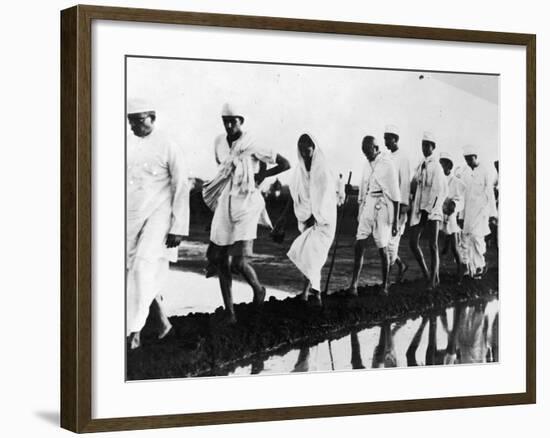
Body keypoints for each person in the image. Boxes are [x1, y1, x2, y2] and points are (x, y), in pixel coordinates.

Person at [203, 103, 290, 323]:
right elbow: (222, 168)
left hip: (248, 203)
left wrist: (261, 176)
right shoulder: (219, 143)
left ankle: (259, 290)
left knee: (238, 263)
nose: (229, 125)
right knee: (221, 260)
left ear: (242, 121)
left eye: (233, 121)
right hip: (226, 201)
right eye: (225, 121)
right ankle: (230, 312)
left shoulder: (253, 143)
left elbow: (285, 163)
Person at [126, 99, 190, 349]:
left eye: (138, 120)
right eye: (130, 120)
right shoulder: (129, 145)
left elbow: (181, 185)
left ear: (152, 117)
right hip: (132, 217)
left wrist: (178, 227)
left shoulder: (168, 145)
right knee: (129, 272)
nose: (133, 125)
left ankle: (135, 332)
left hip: (160, 216)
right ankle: (162, 324)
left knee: (142, 268)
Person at [285, 133, 337, 306]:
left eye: (307, 147)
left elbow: (326, 195)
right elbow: (294, 194)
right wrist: (306, 215)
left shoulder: (322, 169)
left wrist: (316, 214)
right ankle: (315, 293)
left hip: (324, 220)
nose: (304, 150)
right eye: (301, 147)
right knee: (309, 256)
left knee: (312, 255)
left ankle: (308, 293)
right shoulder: (299, 171)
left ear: (314, 148)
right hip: (305, 218)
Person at [347, 136, 400, 296]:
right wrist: (353, 192)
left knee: (382, 247)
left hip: (383, 206)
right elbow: (365, 187)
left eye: (368, 152)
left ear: (376, 148)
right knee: (359, 243)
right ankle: (354, 284)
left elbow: (396, 195)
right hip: (368, 204)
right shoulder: (366, 164)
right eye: (364, 153)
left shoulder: (387, 163)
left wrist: (396, 222)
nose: (366, 155)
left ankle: (385, 285)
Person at [409, 132, 447, 289]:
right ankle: (426, 273)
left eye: (427, 145)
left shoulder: (436, 167)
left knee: (433, 245)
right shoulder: (420, 165)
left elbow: (438, 190)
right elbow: (414, 184)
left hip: (433, 211)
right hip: (420, 210)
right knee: (413, 242)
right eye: (423, 145)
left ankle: (434, 280)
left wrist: (429, 210)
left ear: (433, 147)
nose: (424, 148)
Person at [461, 144, 497, 279]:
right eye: (466, 159)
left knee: (477, 238)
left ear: (476, 157)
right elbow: (463, 195)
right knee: (467, 239)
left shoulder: (485, 171)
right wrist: (461, 215)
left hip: (481, 211)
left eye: (470, 159)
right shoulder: (465, 173)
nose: (469, 161)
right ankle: (470, 268)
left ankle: (480, 266)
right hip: (468, 212)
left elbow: (490, 194)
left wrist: (493, 214)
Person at [384, 125, 410, 283]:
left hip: (399, 208)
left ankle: (386, 281)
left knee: (391, 245)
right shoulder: (387, 157)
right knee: (386, 244)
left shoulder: (403, 158)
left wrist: (402, 207)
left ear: (395, 139)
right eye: (385, 138)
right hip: (387, 206)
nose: (386, 141)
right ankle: (401, 266)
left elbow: (404, 184)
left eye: (388, 138)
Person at [439, 152, 467, 278]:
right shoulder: (439, 179)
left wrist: (453, 205)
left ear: (449, 166)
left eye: (443, 164)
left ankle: (461, 269)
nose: (441, 167)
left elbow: (461, 199)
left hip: (450, 214)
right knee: (439, 243)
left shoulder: (457, 182)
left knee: (454, 246)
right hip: (439, 213)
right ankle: (438, 271)